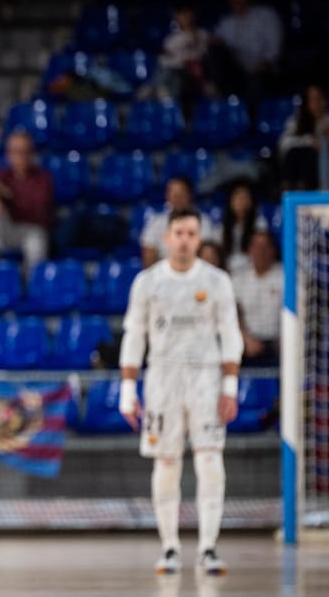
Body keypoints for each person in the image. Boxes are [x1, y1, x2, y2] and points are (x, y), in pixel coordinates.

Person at [119, 207, 243, 575]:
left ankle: (208, 547)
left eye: (192, 233)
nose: (185, 240)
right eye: (180, 233)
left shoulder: (218, 281)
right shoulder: (147, 282)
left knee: (209, 462)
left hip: (206, 378)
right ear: (167, 237)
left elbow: (231, 335)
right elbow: (134, 335)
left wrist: (230, 387)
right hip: (162, 378)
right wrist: (128, 389)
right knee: (167, 463)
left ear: (200, 238)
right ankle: (170, 547)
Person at [205, 0, 282, 110]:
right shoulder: (226, 22)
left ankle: (251, 125)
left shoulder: (266, 15)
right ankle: (221, 111)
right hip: (236, 74)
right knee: (213, 52)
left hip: (262, 71)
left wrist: (261, 65)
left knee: (256, 81)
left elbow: (274, 49)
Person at [0, 130, 54, 268]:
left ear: (31, 153)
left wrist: (10, 196)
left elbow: (37, 211)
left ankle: (33, 281)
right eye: (15, 151)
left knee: (36, 240)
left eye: (24, 151)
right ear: (8, 154)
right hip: (9, 230)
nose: (20, 156)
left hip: (32, 230)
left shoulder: (42, 178)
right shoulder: (3, 175)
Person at [139, 176, 217, 267]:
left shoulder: (204, 221)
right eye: (172, 193)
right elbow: (149, 254)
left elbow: (208, 254)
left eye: (181, 193)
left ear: (190, 195)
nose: (176, 197)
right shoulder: (156, 222)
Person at [232, 230, 283, 367]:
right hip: (247, 341)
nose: (261, 251)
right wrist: (244, 336)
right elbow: (232, 311)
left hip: (279, 341)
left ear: (273, 250)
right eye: (257, 246)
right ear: (249, 250)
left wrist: (286, 335)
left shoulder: (285, 278)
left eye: (265, 246)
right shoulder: (239, 278)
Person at [152, 3, 210, 115]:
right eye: (181, 14)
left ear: (193, 15)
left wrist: (183, 58)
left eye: (187, 13)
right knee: (171, 74)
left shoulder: (202, 35)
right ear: (176, 17)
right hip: (175, 73)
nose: (185, 17)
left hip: (195, 76)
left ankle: (160, 94)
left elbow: (201, 55)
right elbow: (164, 60)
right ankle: (168, 104)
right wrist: (180, 60)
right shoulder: (171, 39)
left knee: (174, 76)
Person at [278, 83, 329, 191]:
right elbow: (283, 144)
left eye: (318, 98)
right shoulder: (296, 122)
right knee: (295, 152)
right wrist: (309, 141)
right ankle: (291, 189)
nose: (315, 103)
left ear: (324, 100)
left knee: (311, 154)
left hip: (322, 169)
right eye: (311, 99)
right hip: (297, 169)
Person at [219, 182, 266, 275]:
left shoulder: (260, 223)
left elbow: (260, 250)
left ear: (251, 201)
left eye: (245, 198)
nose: (241, 202)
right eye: (238, 198)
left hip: (251, 269)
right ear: (231, 201)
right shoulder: (222, 225)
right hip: (228, 269)